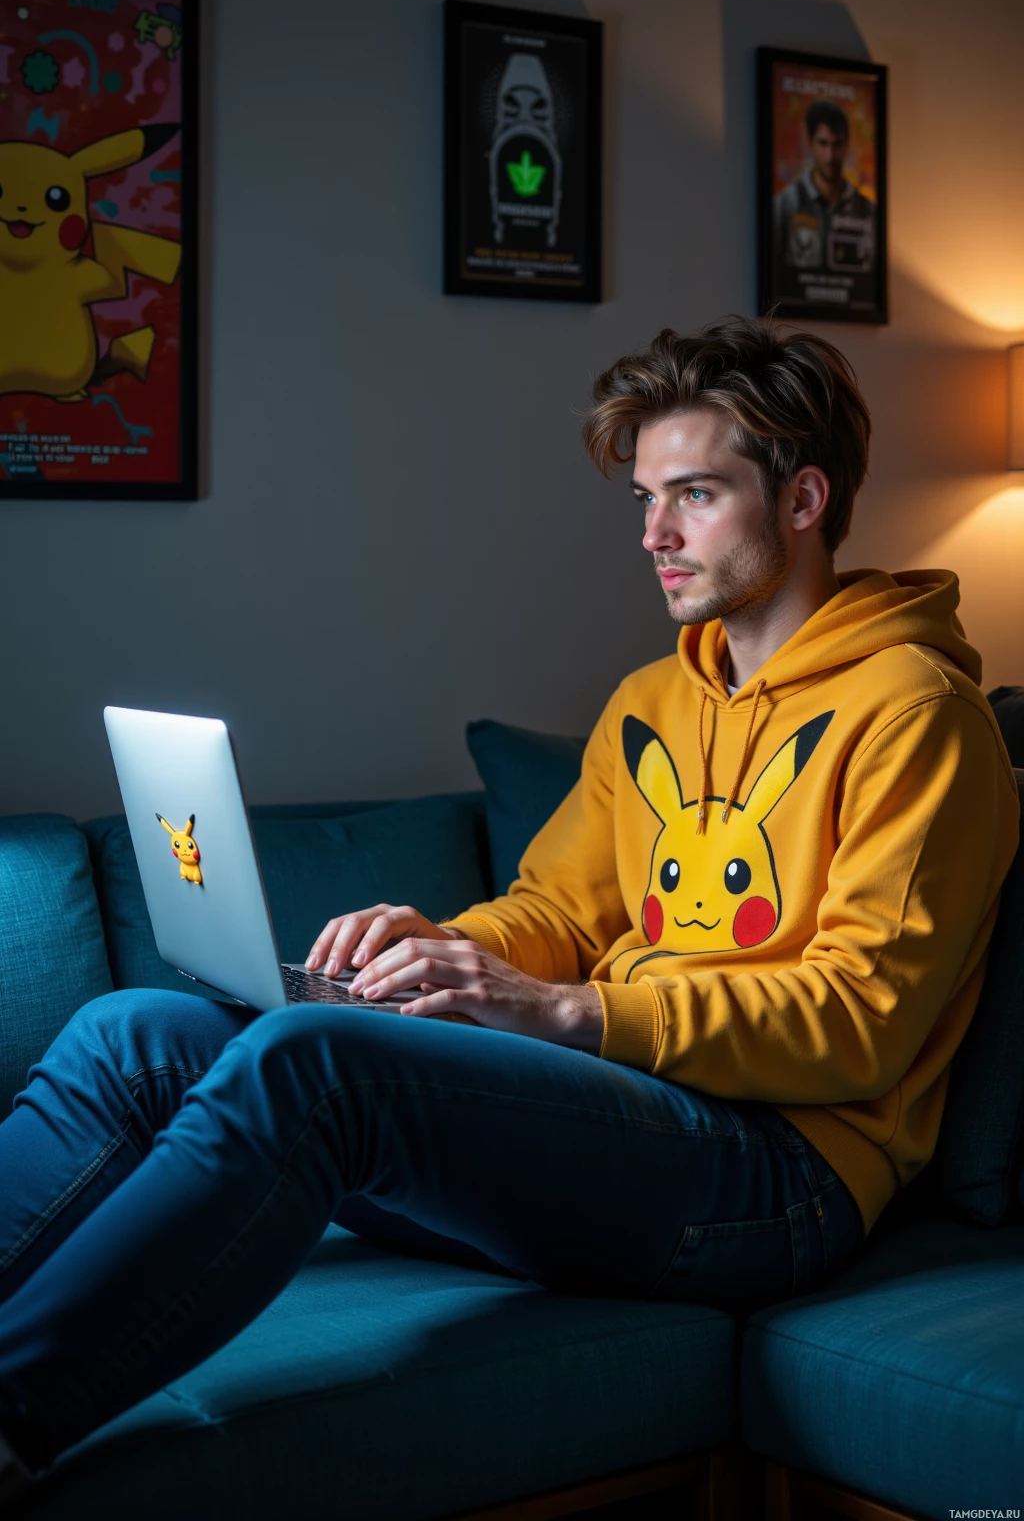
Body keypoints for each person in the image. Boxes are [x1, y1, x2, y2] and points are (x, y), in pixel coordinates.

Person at [0, 316, 1018, 1505]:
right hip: (630, 1117)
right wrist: (441, 950)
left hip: (782, 1173)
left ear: (803, 498)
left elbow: (863, 1021)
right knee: (138, 1033)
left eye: (693, 494)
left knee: (314, 1069)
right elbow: (555, 907)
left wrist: (571, 1014)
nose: (652, 534)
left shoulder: (918, 716)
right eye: (643, 498)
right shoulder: (653, 698)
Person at [772, 98, 878, 310]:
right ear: (810, 143)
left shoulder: (868, 211)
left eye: (837, 144)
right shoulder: (785, 204)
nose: (830, 155)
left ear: (847, 145)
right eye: (823, 143)